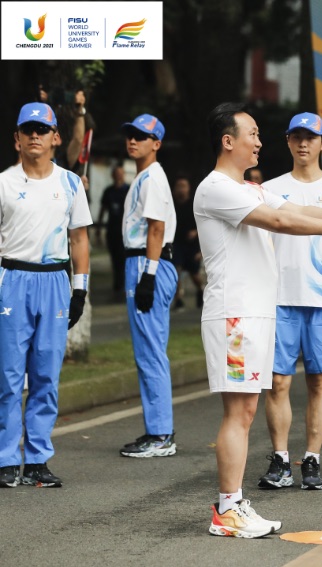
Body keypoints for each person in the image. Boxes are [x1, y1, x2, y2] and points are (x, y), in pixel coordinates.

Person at [195, 102, 322, 538]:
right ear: (228, 141)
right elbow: (281, 220)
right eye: (252, 134)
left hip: (255, 313)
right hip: (234, 316)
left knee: (247, 409)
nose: (259, 142)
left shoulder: (249, 188)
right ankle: (227, 509)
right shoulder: (217, 188)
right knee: (238, 412)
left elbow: (299, 209)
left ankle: (232, 505)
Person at [256, 112, 322, 491]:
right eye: (296, 137)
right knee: (277, 383)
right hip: (279, 299)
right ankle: (281, 460)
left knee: (318, 381)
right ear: (287, 141)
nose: (303, 143)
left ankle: (312, 459)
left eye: (310, 137)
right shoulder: (269, 190)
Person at [0, 102, 92, 488]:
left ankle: (37, 459)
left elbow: (79, 238)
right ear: (17, 139)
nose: (34, 135)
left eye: (42, 130)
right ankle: (6, 460)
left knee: (45, 375)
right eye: (28, 129)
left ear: (56, 137)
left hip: (54, 281)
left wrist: (79, 290)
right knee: (7, 376)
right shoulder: (3, 183)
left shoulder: (70, 184)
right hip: (12, 279)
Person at [118, 114, 179, 458]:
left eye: (141, 136)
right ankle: (157, 430)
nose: (133, 140)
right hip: (143, 262)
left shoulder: (153, 177)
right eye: (131, 134)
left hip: (147, 261)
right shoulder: (143, 176)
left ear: (156, 143)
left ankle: (160, 435)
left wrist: (149, 275)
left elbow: (157, 228)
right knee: (147, 350)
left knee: (151, 350)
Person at [171, 175, 204, 311]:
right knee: (176, 271)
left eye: (183, 186)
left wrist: (196, 233)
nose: (181, 189)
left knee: (194, 274)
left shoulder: (194, 205)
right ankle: (178, 299)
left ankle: (200, 289)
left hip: (192, 245)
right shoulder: (171, 205)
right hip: (176, 244)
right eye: (179, 186)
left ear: (188, 188)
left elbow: (204, 225)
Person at [97, 165, 130, 299]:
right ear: (113, 175)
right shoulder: (109, 191)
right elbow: (103, 209)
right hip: (112, 230)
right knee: (115, 259)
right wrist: (99, 228)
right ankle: (117, 286)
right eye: (116, 173)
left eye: (120, 173)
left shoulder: (128, 190)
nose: (118, 176)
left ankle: (125, 286)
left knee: (124, 259)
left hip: (125, 231)